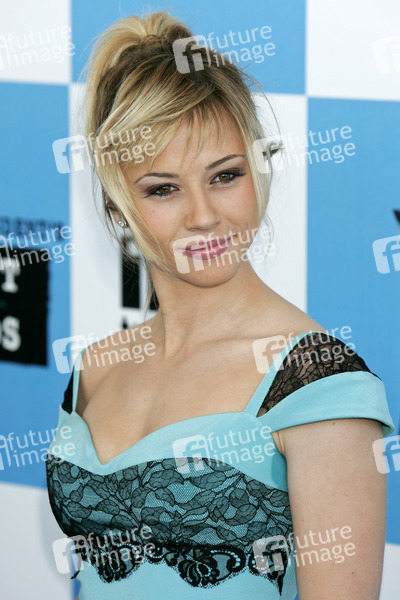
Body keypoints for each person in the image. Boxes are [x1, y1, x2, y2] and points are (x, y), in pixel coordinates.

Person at [46, 11, 394, 600]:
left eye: (225, 176)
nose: (203, 216)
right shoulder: (95, 368)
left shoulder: (316, 382)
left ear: (258, 170)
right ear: (115, 204)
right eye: (163, 188)